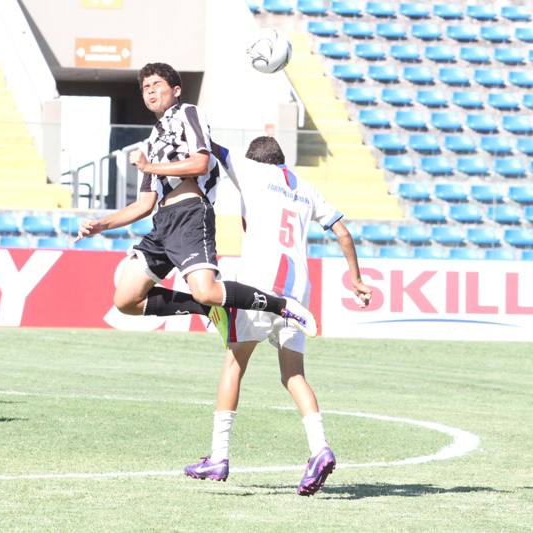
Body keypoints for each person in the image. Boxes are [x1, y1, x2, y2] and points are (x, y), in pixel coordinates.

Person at [183, 137, 371, 496]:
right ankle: (320, 449)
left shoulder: (252, 170)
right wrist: (356, 279)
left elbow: (209, 143)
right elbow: (342, 232)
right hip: (298, 290)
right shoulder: (306, 187)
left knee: (234, 365)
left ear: (255, 159)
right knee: (293, 374)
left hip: (259, 284)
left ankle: (218, 457)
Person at [76, 63, 316, 337]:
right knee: (125, 301)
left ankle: (282, 306)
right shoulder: (150, 142)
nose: (150, 91)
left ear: (176, 90)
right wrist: (100, 225)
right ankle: (206, 309)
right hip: (162, 224)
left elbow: (200, 163)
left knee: (207, 290)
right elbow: (144, 205)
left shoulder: (188, 113)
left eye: (157, 85)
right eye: (145, 88)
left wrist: (148, 167)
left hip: (190, 214)